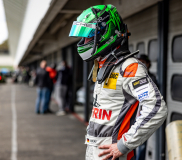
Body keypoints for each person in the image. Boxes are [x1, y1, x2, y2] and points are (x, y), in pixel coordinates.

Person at [68, 4, 167, 160]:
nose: (84, 41)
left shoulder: (129, 67)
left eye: (89, 36)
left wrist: (124, 145)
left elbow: (156, 107)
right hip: (96, 151)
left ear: (105, 33)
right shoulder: (104, 65)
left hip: (113, 154)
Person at [136, 54, 158, 160]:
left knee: (142, 146)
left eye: (143, 62)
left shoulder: (152, 78)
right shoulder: (131, 76)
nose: (141, 64)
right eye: (139, 62)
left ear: (148, 64)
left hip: (144, 118)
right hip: (131, 118)